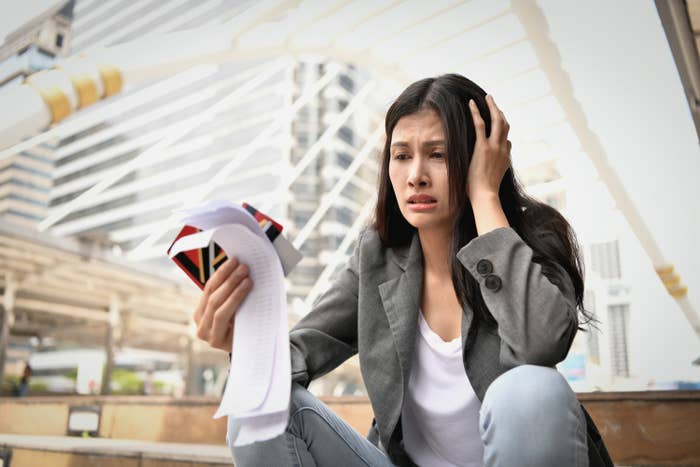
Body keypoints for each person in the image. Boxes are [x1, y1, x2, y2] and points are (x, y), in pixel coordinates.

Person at [193, 73, 614, 467]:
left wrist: (485, 196)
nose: (415, 176)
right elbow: (296, 354)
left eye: (438, 155)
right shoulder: (377, 258)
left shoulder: (530, 238)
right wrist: (243, 342)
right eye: (401, 155)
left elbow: (541, 343)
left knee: (531, 391)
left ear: (478, 159)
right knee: (257, 404)